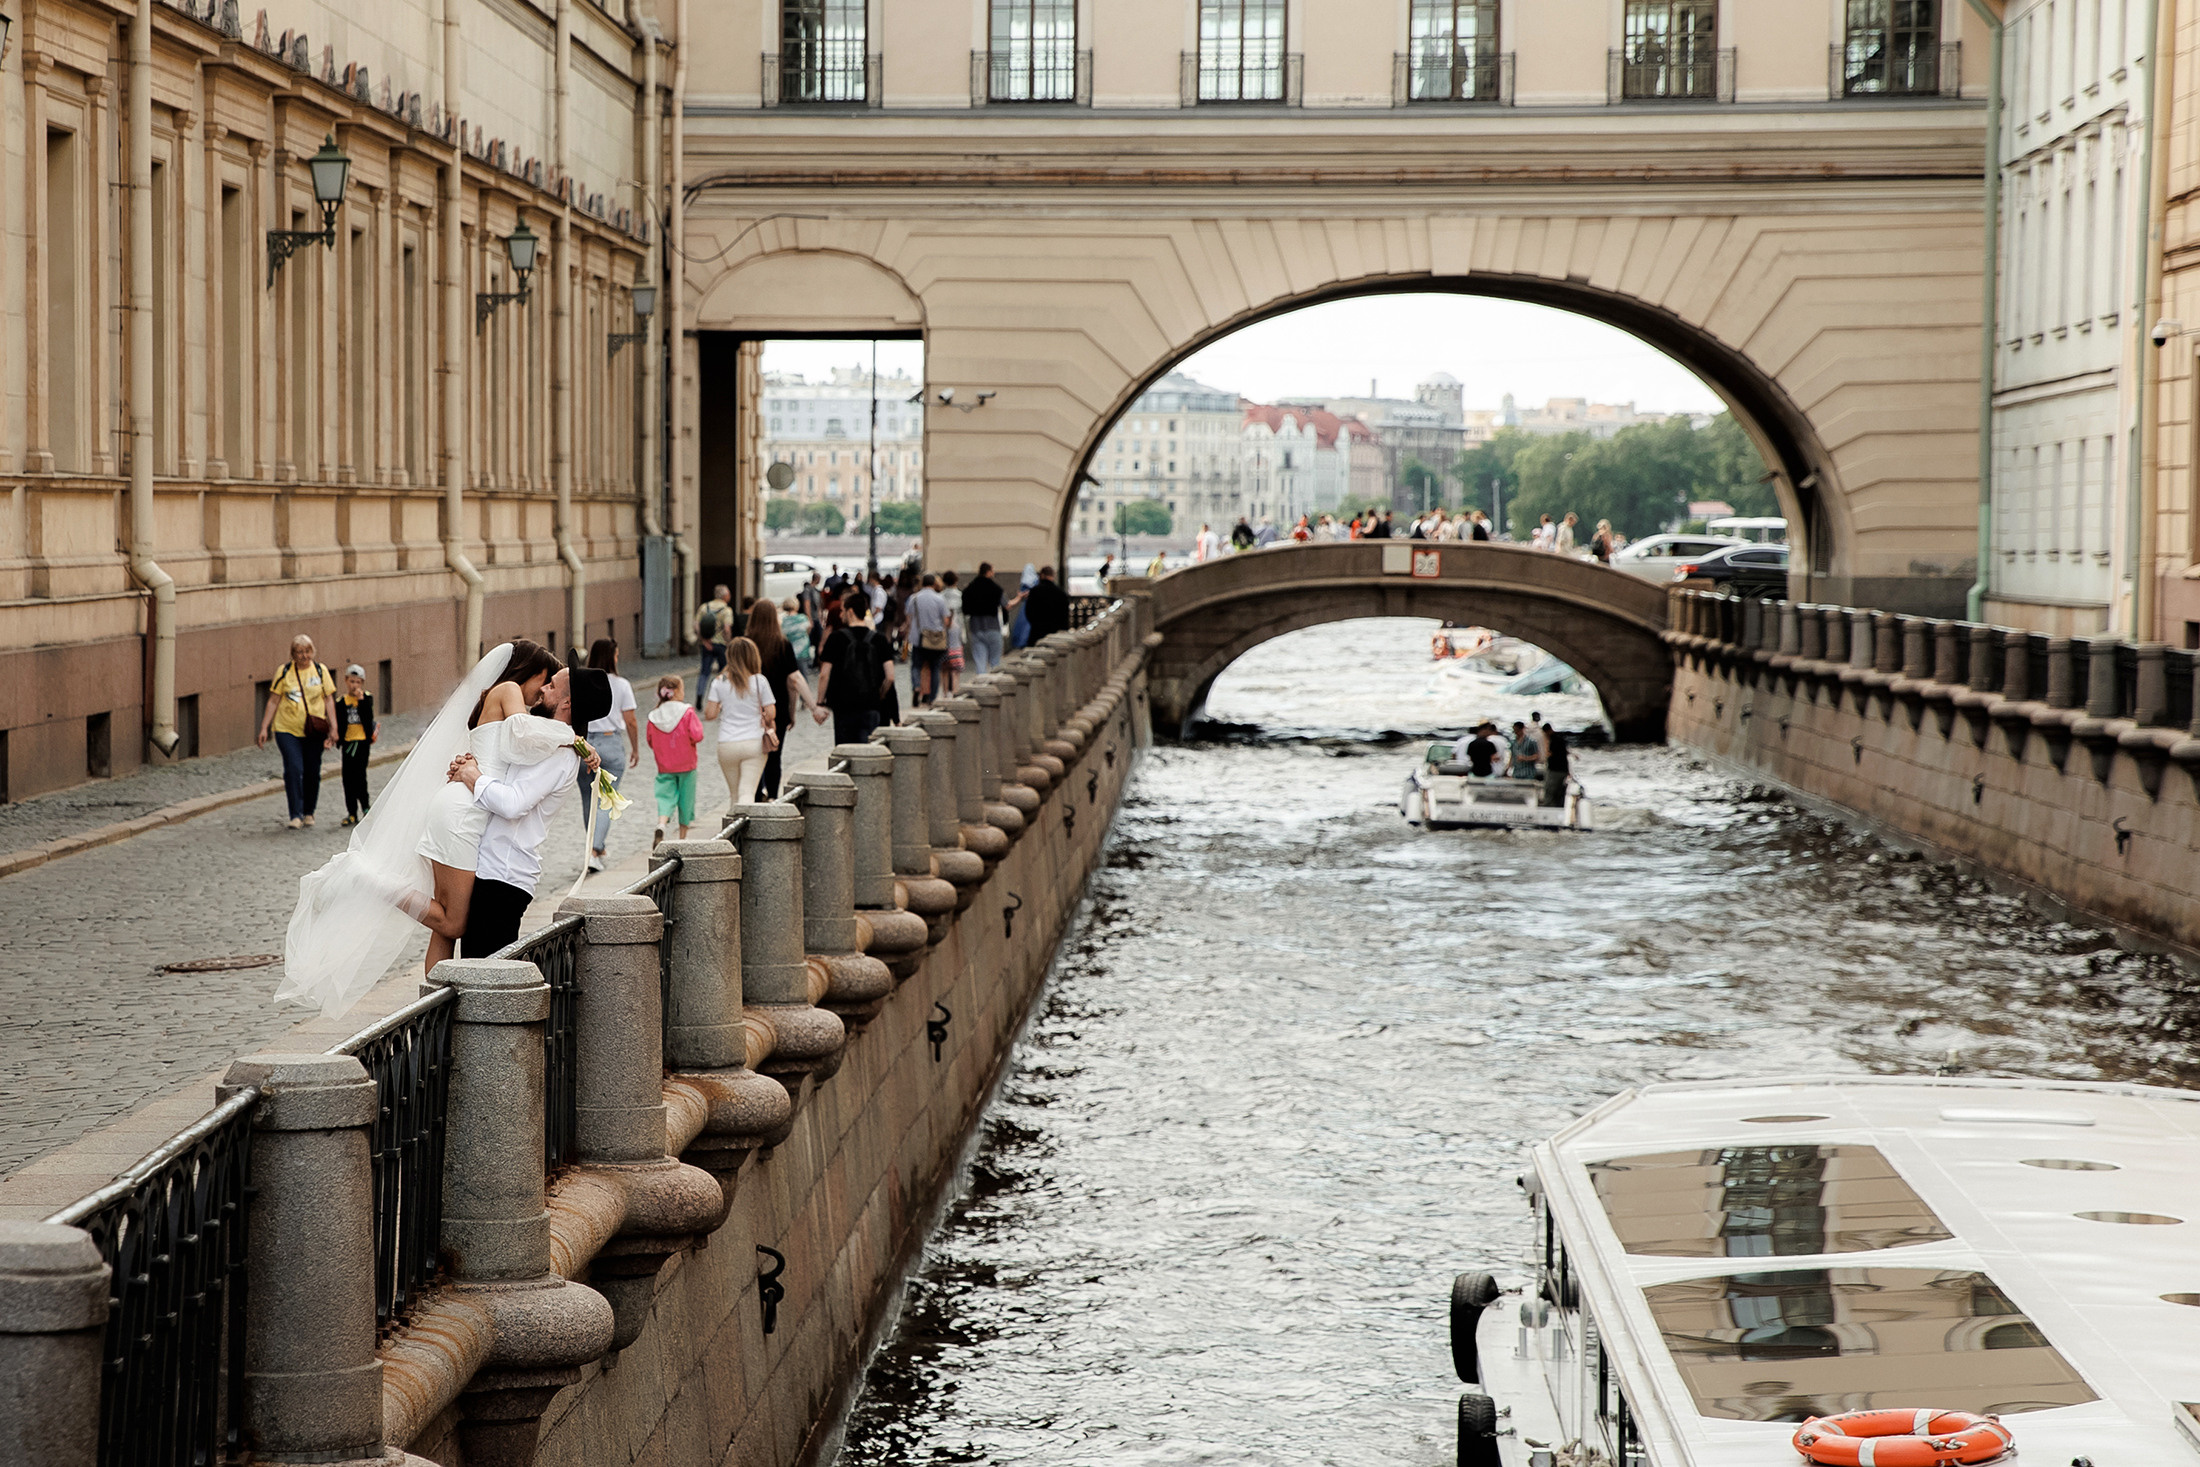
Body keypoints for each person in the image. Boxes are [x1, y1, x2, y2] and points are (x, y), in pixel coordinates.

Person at [412, 640, 573, 971]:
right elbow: (521, 734)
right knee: (451, 924)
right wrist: (574, 738)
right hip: (465, 812)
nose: (543, 690)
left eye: (552, 686)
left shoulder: (507, 700)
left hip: (466, 807)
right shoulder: (510, 690)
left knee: (444, 931)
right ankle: (374, 883)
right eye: (545, 679)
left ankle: (430, 1019)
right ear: (531, 670)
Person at [451, 665, 610, 958]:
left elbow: (513, 803)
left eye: (551, 686)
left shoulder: (559, 754)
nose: (542, 689)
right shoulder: (552, 739)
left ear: (567, 703)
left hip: (503, 877)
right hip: (494, 870)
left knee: (484, 982)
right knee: (477, 977)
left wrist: (471, 776)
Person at [257, 635, 339, 829]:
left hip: (314, 731)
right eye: (299, 652)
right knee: (294, 769)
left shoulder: (320, 671)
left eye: (307, 651)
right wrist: (264, 727)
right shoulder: (284, 672)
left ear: (313, 652)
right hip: (287, 728)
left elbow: (328, 699)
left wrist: (334, 727)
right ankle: (295, 814)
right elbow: (273, 700)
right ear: (293, 654)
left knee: (312, 771)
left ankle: (309, 811)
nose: (304, 656)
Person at [746, 597, 815, 800]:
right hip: (778, 709)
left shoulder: (746, 644)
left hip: (752, 709)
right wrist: (795, 711)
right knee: (774, 756)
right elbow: (793, 681)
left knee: (754, 756)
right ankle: (774, 796)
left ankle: (757, 796)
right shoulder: (782, 644)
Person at [579, 640, 638, 873]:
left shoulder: (582, 681)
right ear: (613, 656)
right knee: (605, 799)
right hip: (610, 742)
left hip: (585, 744)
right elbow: (631, 720)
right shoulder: (621, 684)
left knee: (588, 799)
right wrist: (635, 748)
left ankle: (597, 848)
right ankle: (593, 851)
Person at [706, 636, 776, 811]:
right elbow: (771, 714)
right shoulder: (760, 681)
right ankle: (746, 833)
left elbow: (710, 714)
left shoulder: (719, 682)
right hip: (754, 743)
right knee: (747, 792)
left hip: (727, 743)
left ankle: (732, 833)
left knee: (734, 795)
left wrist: (724, 704)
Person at [814, 600, 894, 745]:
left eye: (842, 611)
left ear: (850, 612)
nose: (840, 614)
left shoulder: (836, 638)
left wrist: (820, 702)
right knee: (869, 751)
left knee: (845, 751)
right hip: (871, 704)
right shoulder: (879, 639)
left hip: (843, 705)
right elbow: (890, 676)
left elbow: (824, 674)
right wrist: (879, 694)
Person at [646, 674, 705, 842]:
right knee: (686, 800)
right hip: (687, 764)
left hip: (665, 765)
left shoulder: (654, 716)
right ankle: (682, 837)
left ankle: (661, 824)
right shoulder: (686, 712)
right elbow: (697, 735)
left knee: (665, 797)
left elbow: (650, 740)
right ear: (678, 691)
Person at [335, 664, 377, 826]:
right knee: (347, 778)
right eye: (352, 682)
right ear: (346, 681)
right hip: (348, 743)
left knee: (360, 776)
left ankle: (365, 807)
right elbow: (339, 723)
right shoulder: (341, 701)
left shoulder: (367, 698)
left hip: (362, 743)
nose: (354, 686)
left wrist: (361, 702)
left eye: (358, 682)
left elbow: (368, 718)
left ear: (362, 683)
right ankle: (351, 812)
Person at [907, 572, 951, 705]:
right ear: (933, 584)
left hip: (918, 638)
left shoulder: (913, 598)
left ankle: (916, 686)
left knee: (916, 665)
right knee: (935, 668)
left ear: (922, 583)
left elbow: (909, 618)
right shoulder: (940, 599)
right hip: (936, 639)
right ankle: (932, 698)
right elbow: (946, 620)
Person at [962, 561, 1005, 674]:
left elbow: (965, 607)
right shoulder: (995, 588)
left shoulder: (970, 587)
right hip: (993, 626)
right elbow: (1005, 604)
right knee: (995, 661)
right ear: (989, 572)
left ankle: (981, 682)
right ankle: (994, 682)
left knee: (980, 660)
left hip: (976, 627)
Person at [695, 584, 735, 694]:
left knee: (704, 672)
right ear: (725, 596)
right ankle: (724, 694)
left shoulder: (704, 607)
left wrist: (703, 640)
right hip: (721, 644)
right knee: (724, 671)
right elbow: (727, 629)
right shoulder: (726, 610)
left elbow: (696, 625)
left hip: (707, 644)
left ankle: (700, 694)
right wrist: (728, 643)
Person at [1021, 564, 1071, 643]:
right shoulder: (1061, 593)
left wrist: (1036, 623)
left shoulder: (1035, 591)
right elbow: (1065, 615)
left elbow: (1029, 612)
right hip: (1055, 634)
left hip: (1037, 632)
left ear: (1042, 575)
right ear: (1053, 575)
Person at [939, 569, 965, 694]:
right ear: (956, 581)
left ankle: (945, 693)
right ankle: (955, 690)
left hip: (942, 633)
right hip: (956, 633)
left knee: (944, 667)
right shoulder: (960, 596)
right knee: (955, 668)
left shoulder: (940, 597)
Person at [1541, 719, 1572, 808]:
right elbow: (1565, 756)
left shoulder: (1554, 740)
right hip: (1562, 769)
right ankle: (1558, 806)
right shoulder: (1561, 739)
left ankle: (1549, 806)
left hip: (1555, 770)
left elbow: (1550, 754)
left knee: (1550, 789)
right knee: (1559, 791)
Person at [782, 596, 814, 668]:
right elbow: (809, 628)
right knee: (803, 674)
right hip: (803, 649)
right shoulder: (802, 618)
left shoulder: (784, 620)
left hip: (789, 651)